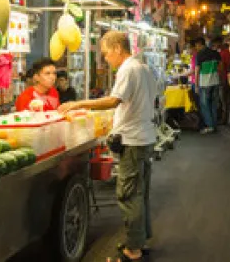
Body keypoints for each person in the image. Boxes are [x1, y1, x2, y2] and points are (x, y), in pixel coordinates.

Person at [59, 31, 158, 262]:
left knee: (128, 195)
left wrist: (78, 103)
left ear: (117, 49)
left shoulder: (127, 69)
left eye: (105, 54)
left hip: (132, 141)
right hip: (144, 137)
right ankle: (139, 241)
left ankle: (133, 250)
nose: (105, 59)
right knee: (140, 193)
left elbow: (115, 100)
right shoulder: (144, 69)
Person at [194, 36, 222, 134]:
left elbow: (196, 71)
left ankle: (210, 126)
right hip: (215, 82)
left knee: (204, 105)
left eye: (196, 46)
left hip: (205, 84)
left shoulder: (199, 55)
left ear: (200, 44)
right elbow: (220, 68)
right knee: (214, 105)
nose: (196, 48)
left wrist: (196, 85)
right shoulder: (216, 53)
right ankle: (214, 125)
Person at [218, 41, 230, 124]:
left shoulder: (222, 54)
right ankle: (225, 118)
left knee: (222, 100)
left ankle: (224, 119)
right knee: (226, 100)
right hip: (229, 79)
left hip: (223, 79)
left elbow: (221, 68)